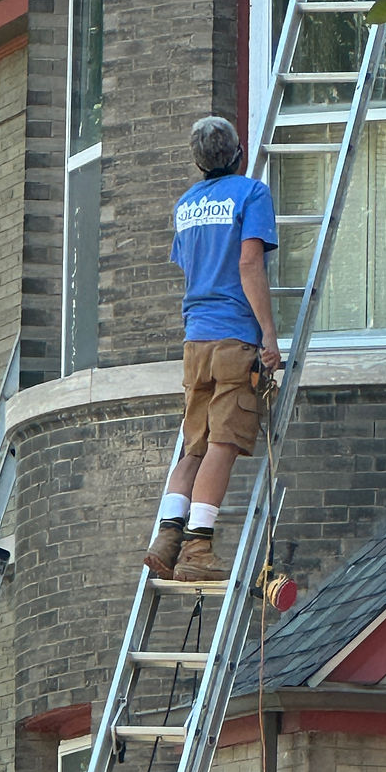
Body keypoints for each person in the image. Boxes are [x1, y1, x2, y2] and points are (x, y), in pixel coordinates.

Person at [144, 115, 281, 582]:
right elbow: (249, 263)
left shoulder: (186, 205)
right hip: (233, 338)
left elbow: (190, 266)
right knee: (223, 443)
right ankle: (198, 549)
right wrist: (268, 333)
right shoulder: (250, 193)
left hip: (195, 340)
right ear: (238, 152)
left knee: (194, 446)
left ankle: (167, 539)